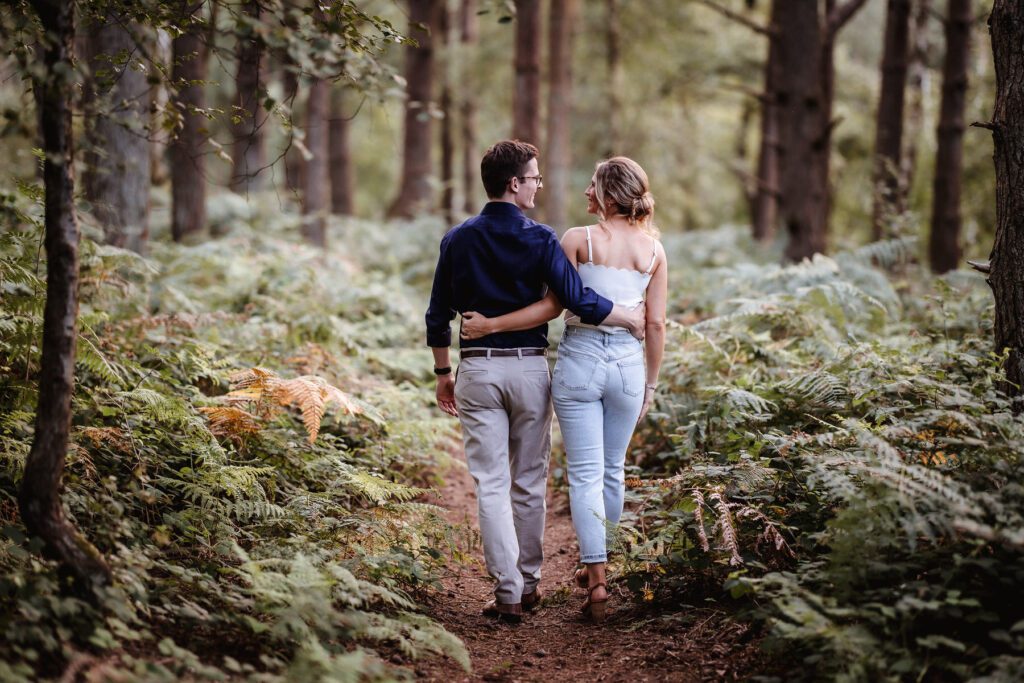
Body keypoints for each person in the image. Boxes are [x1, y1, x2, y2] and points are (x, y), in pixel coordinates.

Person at [425, 141, 645, 623]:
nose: (539, 185)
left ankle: (506, 593)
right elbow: (575, 300)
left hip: (477, 370)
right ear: (514, 184)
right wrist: (626, 317)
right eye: (535, 178)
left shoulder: (457, 239)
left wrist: (444, 373)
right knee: (528, 481)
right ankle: (528, 584)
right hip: (529, 369)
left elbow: (437, 314)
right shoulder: (541, 238)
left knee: (489, 483)